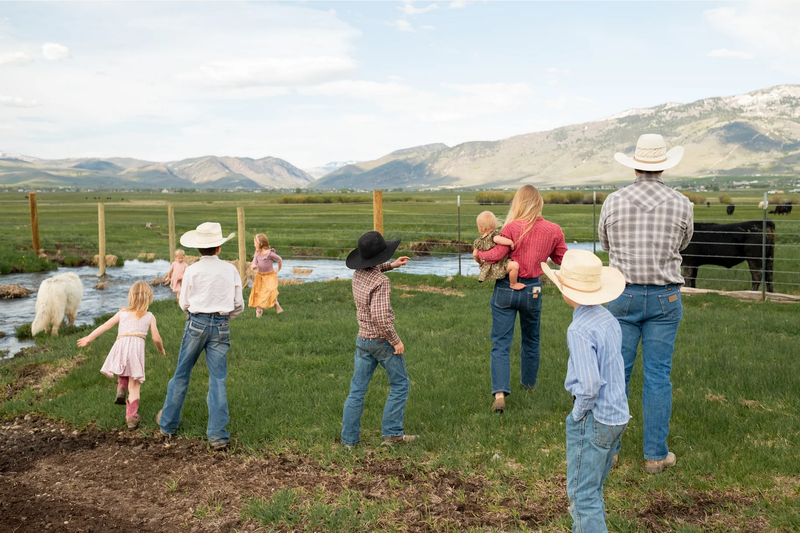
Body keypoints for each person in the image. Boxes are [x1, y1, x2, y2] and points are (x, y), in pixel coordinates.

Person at [599, 133, 693, 474]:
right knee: (658, 375)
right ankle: (655, 456)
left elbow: (605, 243)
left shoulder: (613, 201)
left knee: (616, 374)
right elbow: (684, 242)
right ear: (663, 165)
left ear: (636, 165)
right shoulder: (682, 203)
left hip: (622, 295)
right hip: (666, 297)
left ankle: (609, 454)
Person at [541, 250, 629, 533]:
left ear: (567, 290)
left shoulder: (578, 329)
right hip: (617, 416)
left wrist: (577, 414)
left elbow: (590, 384)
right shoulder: (607, 319)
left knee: (582, 495)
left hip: (593, 418)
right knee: (593, 487)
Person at [475, 185, 568, 413]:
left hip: (506, 290)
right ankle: (529, 387)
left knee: (501, 343)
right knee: (531, 339)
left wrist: (479, 255)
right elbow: (562, 259)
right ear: (539, 203)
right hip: (533, 289)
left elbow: (496, 255)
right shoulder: (554, 230)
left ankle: (499, 394)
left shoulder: (510, 228)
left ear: (518, 203)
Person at [157, 222, 244, 449]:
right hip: (221, 325)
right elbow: (238, 305)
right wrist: (223, 319)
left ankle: (168, 425)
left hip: (196, 323)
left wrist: (194, 316)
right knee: (218, 379)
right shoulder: (230, 270)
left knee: (182, 374)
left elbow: (184, 302)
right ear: (219, 248)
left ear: (198, 249)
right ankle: (217, 436)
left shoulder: (192, 270)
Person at [341, 231, 417, 448]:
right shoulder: (381, 283)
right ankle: (393, 435)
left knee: (357, 390)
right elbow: (381, 318)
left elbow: (373, 269)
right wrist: (396, 341)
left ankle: (348, 440)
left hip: (362, 341)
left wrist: (392, 265)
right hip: (381, 342)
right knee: (400, 384)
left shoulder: (358, 274)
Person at [77, 281, 166, 429]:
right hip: (136, 350)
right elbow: (156, 338)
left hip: (120, 346)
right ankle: (131, 417)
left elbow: (105, 325)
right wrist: (160, 348)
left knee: (123, 371)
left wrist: (89, 338)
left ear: (130, 296)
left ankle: (121, 388)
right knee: (135, 385)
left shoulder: (122, 313)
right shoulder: (149, 316)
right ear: (149, 298)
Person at [473, 211, 523, 289]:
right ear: (495, 224)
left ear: (479, 227)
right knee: (514, 266)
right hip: (500, 266)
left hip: (490, 269)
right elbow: (498, 240)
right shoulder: (494, 235)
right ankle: (513, 283)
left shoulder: (477, 242)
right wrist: (510, 242)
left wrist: (480, 262)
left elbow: (475, 254)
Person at [249, 234, 283, 317]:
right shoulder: (257, 253)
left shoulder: (269, 254)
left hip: (269, 276)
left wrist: (278, 269)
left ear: (260, 243)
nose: (254, 245)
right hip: (260, 276)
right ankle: (259, 311)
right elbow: (254, 262)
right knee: (259, 292)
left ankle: (275, 303)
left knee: (270, 291)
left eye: (255, 243)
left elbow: (279, 259)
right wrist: (253, 266)